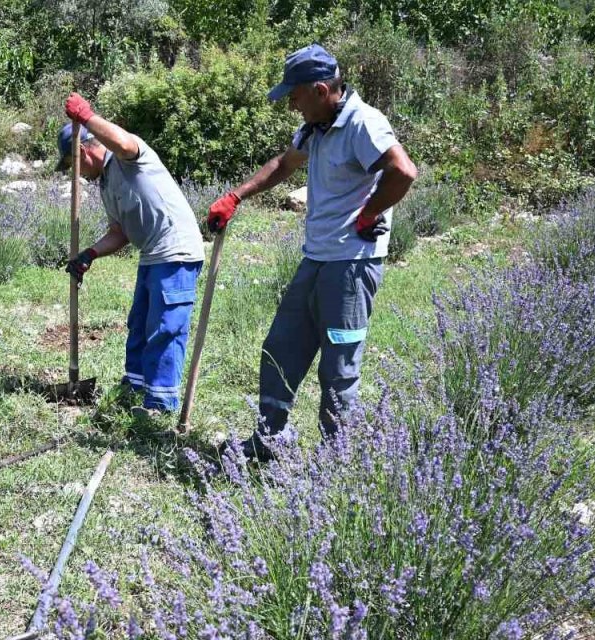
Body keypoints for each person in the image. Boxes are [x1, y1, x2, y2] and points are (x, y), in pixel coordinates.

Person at [205, 43, 417, 460]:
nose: (292, 105)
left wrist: (370, 212)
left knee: (337, 368)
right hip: (317, 258)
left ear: (321, 90)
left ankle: (334, 462)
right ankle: (269, 440)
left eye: (296, 95)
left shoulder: (362, 122)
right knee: (281, 348)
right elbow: (285, 164)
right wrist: (237, 195)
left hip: (352, 267)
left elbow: (403, 170)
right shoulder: (315, 127)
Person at [59, 92, 206, 416]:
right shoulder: (105, 183)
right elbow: (120, 233)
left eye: (73, 165)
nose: (77, 174)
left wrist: (86, 116)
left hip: (176, 252)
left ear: (83, 151)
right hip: (152, 254)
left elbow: (124, 143)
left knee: (166, 329)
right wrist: (90, 253)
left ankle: (159, 405)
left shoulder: (127, 157)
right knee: (139, 325)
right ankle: (134, 389)